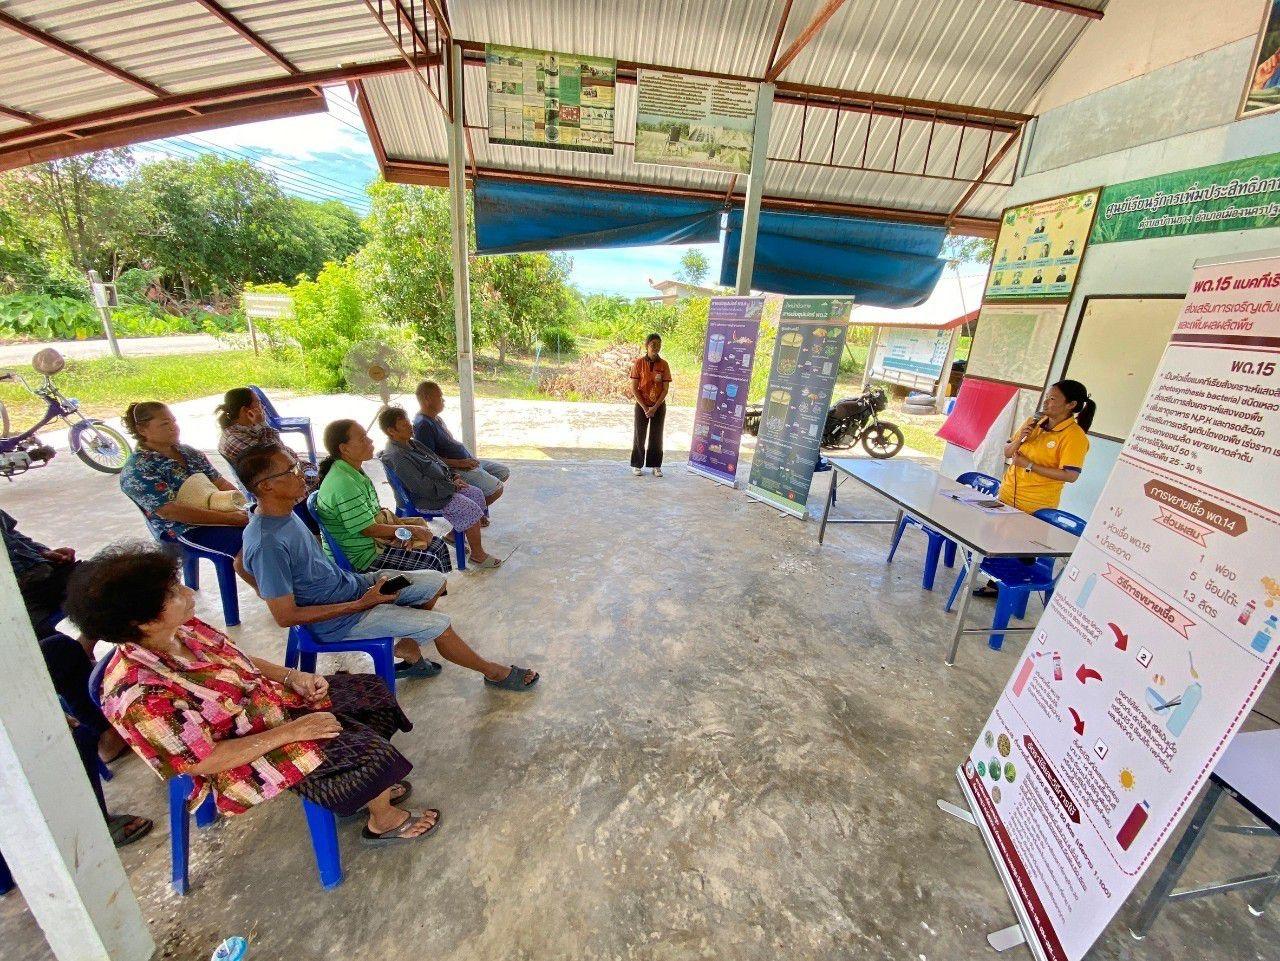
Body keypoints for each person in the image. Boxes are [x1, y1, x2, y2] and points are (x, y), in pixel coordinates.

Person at [67, 542, 440, 844]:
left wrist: (293, 677)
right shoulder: (140, 696)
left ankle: (357, 791)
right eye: (173, 592)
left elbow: (238, 658)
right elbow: (201, 761)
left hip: (269, 708)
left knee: (370, 694)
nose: (188, 592)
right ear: (143, 621)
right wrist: (292, 731)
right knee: (363, 749)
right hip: (237, 758)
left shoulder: (182, 629)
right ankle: (383, 821)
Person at [236, 445, 538, 690]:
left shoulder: (278, 515)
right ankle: (493, 672)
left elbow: (239, 563)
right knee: (440, 625)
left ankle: (409, 650)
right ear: (266, 486)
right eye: (292, 470)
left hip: (352, 587)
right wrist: (360, 604)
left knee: (435, 581)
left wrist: (275, 589)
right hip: (343, 616)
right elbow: (285, 616)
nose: (303, 474)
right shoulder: (269, 541)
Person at [973, 379, 1095, 598]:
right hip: (1008, 493)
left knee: (1018, 549)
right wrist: (1021, 437)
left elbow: (1070, 475)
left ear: (1071, 405)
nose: (1046, 402)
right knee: (997, 540)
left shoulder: (1074, 436)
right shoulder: (1035, 422)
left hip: (1035, 504)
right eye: (1047, 397)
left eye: (1053, 399)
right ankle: (996, 584)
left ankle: (1012, 592)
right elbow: (1008, 452)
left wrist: (1030, 465)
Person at [314, 419, 452, 574]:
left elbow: (371, 517)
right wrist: (410, 530)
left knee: (438, 546)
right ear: (344, 449)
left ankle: (430, 592)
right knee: (430, 563)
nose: (370, 441)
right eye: (363, 439)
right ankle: (424, 592)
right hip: (363, 556)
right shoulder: (344, 483)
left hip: (374, 543)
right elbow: (368, 530)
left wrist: (401, 533)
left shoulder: (352, 471)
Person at [378, 406, 501, 570]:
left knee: (476, 493)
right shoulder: (398, 456)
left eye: (408, 420)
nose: (410, 425)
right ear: (391, 431)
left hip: (442, 487)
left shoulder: (412, 443)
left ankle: (452, 535)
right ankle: (477, 555)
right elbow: (421, 486)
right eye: (403, 424)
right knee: (469, 507)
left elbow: (437, 461)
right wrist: (451, 487)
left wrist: (454, 477)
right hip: (426, 498)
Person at [119, 402, 248, 555]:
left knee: (270, 530)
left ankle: (275, 577)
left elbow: (219, 482)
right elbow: (171, 512)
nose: (173, 427)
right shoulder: (138, 469)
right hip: (182, 530)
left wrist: (244, 506)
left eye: (174, 421)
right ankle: (266, 578)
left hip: (219, 513)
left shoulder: (189, 453)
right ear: (142, 430)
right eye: (165, 424)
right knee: (247, 545)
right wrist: (231, 519)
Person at [413, 381, 508, 513]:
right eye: (440, 397)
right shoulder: (423, 425)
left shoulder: (436, 419)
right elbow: (430, 460)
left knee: (503, 471)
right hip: (455, 469)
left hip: (466, 463)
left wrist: (467, 460)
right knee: (497, 489)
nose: (443, 400)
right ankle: (472, 515)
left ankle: (473, 502)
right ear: (427, 399)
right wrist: (460, 463)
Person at [2, 507, 78, 636]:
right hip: (16, 593)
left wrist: (44, 552)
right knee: (36, 635)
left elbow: (12, 534)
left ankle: (86, 646)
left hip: (45, 574)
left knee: (106, 583)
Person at [629, 333, 671, 477]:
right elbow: (634, 388)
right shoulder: (639, 363)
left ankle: (656, 466)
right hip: (641, 406)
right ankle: (636, 465)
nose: (656, 347)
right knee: (639, 435)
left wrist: (654, 407)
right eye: (653, 344)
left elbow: (665, 389)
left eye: (658, 344)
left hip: (658, 406)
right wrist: (646, 408)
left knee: (656, 436)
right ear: (646, 346)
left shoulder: (664, 364)